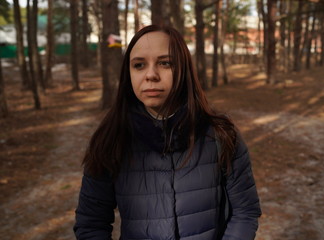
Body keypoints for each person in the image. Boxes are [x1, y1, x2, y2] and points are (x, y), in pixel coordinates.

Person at [74, 25, 261, 240]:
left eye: (165, 63)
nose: (151, 75)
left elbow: (245, 212)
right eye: (139, 65)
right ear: (129, 74)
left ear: (183, 69)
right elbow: (91, 224)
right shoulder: (110, 139)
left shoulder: (221, 135)